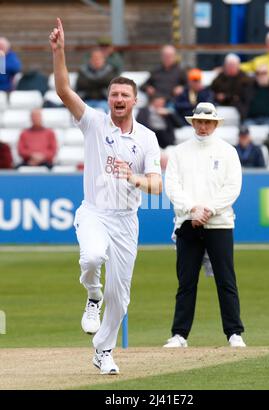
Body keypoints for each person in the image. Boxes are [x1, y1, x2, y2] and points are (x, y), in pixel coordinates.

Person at [49, 18, 162, 375]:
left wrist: (135, 178)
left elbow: (158, 185)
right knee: (92, 255)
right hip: (95, 212)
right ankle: (91, 294)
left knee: (121, 296)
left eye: (124, 95)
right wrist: (59, 52)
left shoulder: (146, 138)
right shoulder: (94, 122)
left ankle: (104, 350)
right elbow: (65, 90)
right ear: (109, 99)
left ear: (134, 100)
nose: (118, 100)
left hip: (126, 220)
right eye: (114, 94)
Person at [163, 102, 245, 348]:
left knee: (225, 279)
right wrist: (192, 209)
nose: (203, 126)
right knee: (186, 281)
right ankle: (180, 334)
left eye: (207, 122)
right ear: (193, 123)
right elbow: (172, 186)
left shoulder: (228, 151)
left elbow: (232, 187)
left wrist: (208, 210)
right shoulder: (179, 152)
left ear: (215, 124)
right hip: (188, 222)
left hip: (219, 222)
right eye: (199, 122)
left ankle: (234, 333)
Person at [211, 53, 250, 118]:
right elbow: (213, 90)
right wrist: (217, 96)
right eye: (229, 65)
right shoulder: (220, 78)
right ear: (225, 66)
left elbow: (244, 95)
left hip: (239, 105)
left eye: (233, 65)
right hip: (221, 104)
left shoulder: (244, 78)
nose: (231, 67)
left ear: (238, 66)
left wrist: (227, 96)